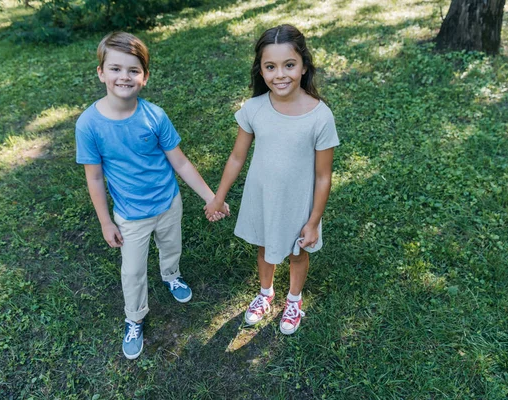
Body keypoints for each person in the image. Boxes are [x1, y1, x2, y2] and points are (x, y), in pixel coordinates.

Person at [75, 31, 228, 359]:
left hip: (169, 202)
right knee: (132, 271)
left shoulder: (154, 116)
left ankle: (171, 275)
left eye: (133, 70)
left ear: (144, 77)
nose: (124, 77)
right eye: (115, 69)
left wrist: (210, 197)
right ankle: (135, 316)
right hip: (130, 215)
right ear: (101, 72)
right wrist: (105, 222)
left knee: (172, 246)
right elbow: (95, 177)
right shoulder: (88, 124)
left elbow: (181, 163)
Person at [204, 24, 339, 335]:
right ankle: (265, 294)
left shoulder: (320, 116)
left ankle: (294, 299)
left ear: (304, 66)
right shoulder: (254, 109)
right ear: (261, 70)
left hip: (298, 203)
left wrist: (313, 220)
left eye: (289, 65)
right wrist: (219, 196)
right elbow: (237, 157)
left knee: (297, 252)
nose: (280, 74)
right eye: (270, 66)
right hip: (263, 197)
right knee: (265, 247)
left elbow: (323, 176)